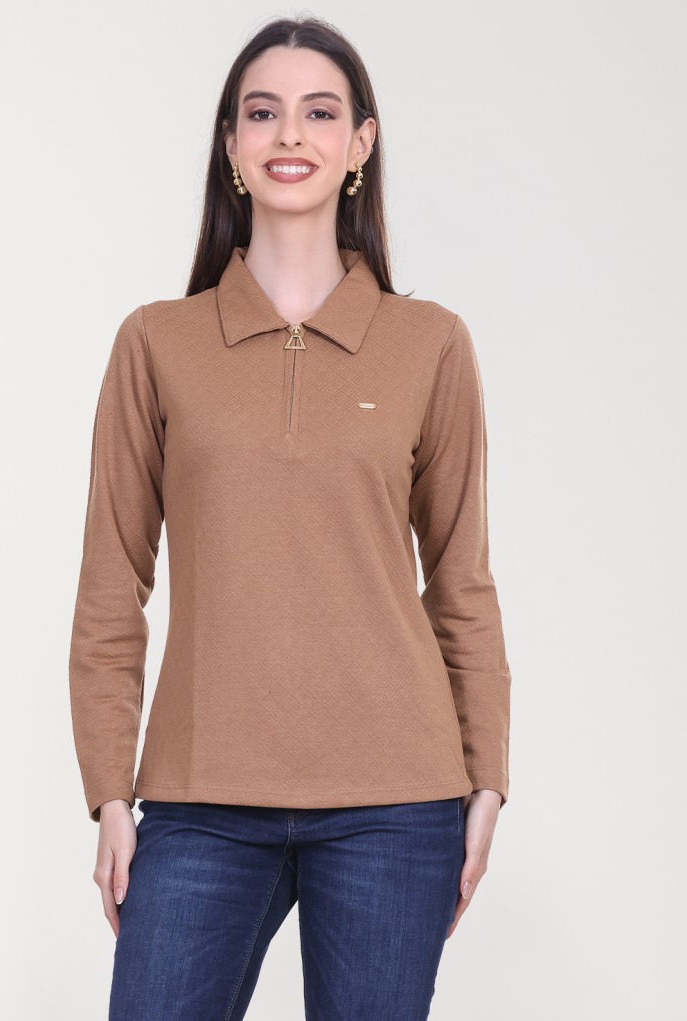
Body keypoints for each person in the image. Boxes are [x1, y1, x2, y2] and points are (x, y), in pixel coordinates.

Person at [69, 15, 512, 1020]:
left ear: (360, 143)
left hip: (396, 800)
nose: (290, 136)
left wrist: (486, 774)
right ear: (231, 143)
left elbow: (461, 577)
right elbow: (110, 584)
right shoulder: (157, 343)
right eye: (262, 113)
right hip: (200, 798)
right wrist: (110, 790)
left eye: (319, 113)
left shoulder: (431, 344)